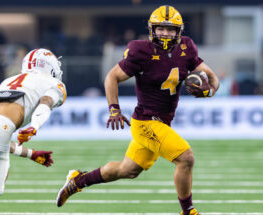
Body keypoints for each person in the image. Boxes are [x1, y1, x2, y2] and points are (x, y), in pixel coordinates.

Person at [56, 5, 219, 215]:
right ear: (152, 29)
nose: (166, 33)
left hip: (162, 122)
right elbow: (111, 77)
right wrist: (114, 109)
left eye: (170, 29)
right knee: (186, 158)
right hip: (145, 122)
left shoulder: (186, 48)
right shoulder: (141, 51)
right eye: (161, 29)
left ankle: (78, 180)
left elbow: (212, 76)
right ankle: (188, 211)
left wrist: (210, 91)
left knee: (128, 170)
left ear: (179, 31)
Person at [0, 48, 66, 215]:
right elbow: (45, 102)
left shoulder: (11, 79)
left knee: (2, 175)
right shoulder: (54, 83)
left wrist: (30, 154)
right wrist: (35, 126)